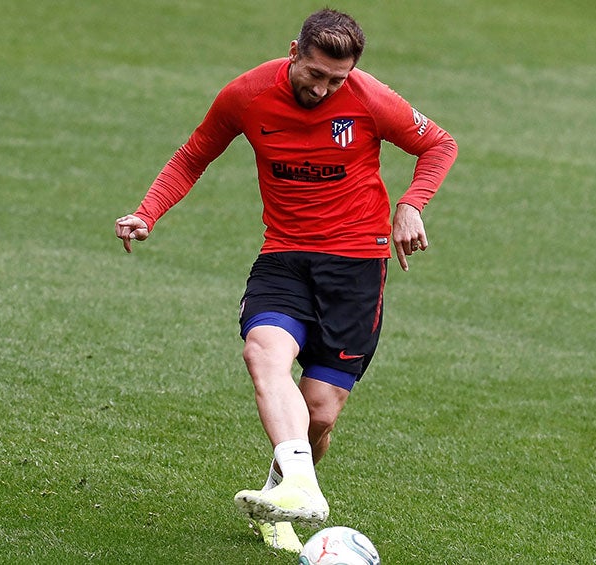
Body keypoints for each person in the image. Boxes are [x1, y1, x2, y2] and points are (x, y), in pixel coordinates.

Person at [114, 8, 456, 554]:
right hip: (285, 256)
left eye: (335, 81)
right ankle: (301, 484)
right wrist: (147, 212)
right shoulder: (247, 94)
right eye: (314, 73)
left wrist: (411, 205)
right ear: (294, 50)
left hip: (356, 267)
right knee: (263, 353)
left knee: (319, 411)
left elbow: (439, 144)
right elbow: (193, 154)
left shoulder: (369, 99)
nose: (322, 89)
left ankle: (281, 497)